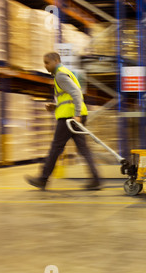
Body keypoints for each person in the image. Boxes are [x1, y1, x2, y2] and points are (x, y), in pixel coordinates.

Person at [25, 52, 101, 190]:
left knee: (55, 148)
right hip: (73, 115)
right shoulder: (64, 73)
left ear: (56, 60)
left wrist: (76, 115)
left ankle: (43, 179)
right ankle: (96, 179)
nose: (45, 65)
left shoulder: (60, 74)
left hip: (69, 118)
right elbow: (68, 97)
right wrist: (55, 106)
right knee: (83, 148)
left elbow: (76, 93)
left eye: (47, 62)